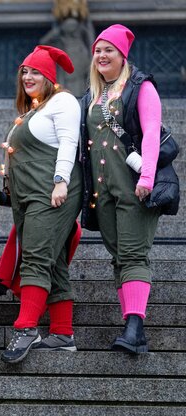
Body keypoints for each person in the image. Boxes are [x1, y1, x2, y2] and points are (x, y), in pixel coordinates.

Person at [80, 25, 164, 354]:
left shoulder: (140, 88)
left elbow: (152, 132)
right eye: (98, 50)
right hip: (104, 194)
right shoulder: (92, 96)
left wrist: (147, 179)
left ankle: (134, 327)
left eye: (108, 50)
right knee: (119, 257)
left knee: (132, 255)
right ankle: (134, 329)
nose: (101, 56)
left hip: (133, 188)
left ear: (122, 55)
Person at [0, 45, 82, 364]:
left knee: (35, 256)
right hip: (30, 197)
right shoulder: (36, 109)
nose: (28, 77)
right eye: (25, 71)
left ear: (50, 77)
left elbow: (69, 142)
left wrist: (61, 179)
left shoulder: (62, 101)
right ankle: (62, 333)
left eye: (35, 71)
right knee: (54, 260)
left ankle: (26, 328)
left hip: (51, 193)